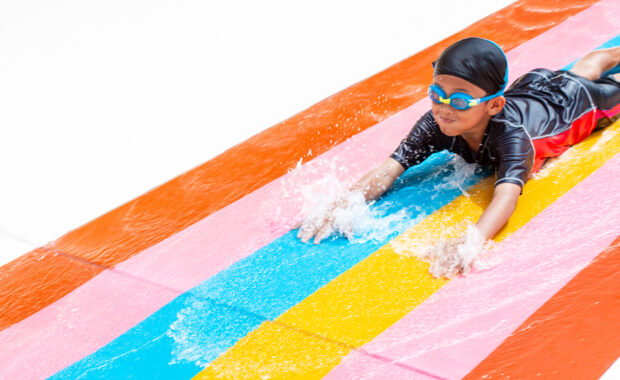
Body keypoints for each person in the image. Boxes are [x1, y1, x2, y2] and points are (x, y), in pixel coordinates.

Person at [296, 37, 620, 273]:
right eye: (437, 94)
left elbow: (506, 198)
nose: (444, 108)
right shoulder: (436, 122)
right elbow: (387, 170)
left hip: (573, 105)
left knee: (590, 77)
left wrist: (472, 241)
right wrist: (346, 200)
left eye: (460, 101)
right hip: (529, 88)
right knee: (578, 69)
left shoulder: (513, 138)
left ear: (494, 105)